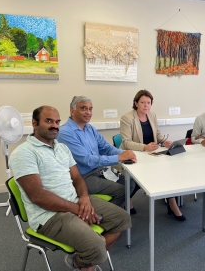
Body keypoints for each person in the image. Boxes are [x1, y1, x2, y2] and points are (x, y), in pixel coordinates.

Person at [9, 106, 131, 271]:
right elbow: (37, 196)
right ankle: (88, 258)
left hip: (74, 202)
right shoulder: (24, 153)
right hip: (49, 217)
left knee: (123, 219)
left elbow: (77, 178)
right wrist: (78, 210)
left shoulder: (61, 148)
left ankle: (80, 261)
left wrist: (85, 199)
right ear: (34, 123)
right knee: (96, 246)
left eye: (57, 121)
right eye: (49, 121)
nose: (55, 125)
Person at [58, 96, 139, 214]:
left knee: (130, 183)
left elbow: (105, 147)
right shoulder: (65, 132)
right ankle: (99, 216)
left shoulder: (89, 128)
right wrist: (119, 157)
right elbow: (87, 160)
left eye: (90, 109)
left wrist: (124, 153)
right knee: (124, 190)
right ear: (72, 111)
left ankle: (108, 213)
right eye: (84, 108)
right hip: (82, 177)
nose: (88, 112)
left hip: (98, 171)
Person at [120, 90, 186, 221]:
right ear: (136, 103)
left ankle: (172, 203)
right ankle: (128, 199)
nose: (146, 105)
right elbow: (126, 142)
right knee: (139, 179)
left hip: (152, 154)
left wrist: (164, 142)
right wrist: (145, 147)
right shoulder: (127, 118)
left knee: (168, 172)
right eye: (143, 102)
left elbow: (158, 136)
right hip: (135, 154)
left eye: (148, 103)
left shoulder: (152, 115)